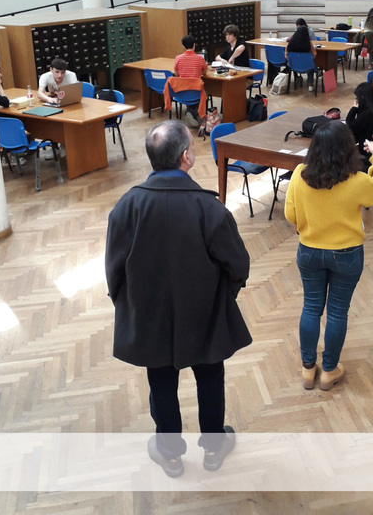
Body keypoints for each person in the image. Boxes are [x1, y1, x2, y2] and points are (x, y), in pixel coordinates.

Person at [105, 120, 252, 477]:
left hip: (151, 316)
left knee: (162, 384)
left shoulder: (127, 207)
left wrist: (132, 307)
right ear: (186, 157)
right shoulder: (210, 208)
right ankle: (214, 449)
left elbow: (114, 271)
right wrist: (221, 298)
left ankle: (169, 453)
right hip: (203, 315)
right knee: (211, 380)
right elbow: (238, 265)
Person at [285, 121, 373, 391]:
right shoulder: (357, 181)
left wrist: (307, 228)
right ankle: (329, 370)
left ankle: (308, 369)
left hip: (308, 251)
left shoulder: (299, 174)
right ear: (348, 149)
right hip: (347, 255)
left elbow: (290, 215)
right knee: (337, 313)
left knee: (310, 307)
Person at [346, 82, 373, 167]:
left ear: (362, 97)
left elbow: (349, 126)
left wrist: (354, 109)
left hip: (367, 149)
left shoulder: (366, 114)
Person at [173, 34, 207, 128]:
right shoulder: (200, 59)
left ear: (183, 46)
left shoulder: (178, 58)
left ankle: (189, 112)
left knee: (190, 93)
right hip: (196, 91)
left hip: (182, 92)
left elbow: (176, 75)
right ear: (194, 45)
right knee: (204, 94)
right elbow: (204, 73)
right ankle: (195, 114)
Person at [286, 23, 317, 91]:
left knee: (307, 63)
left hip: (293, 67)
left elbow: (286, 55)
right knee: (311, 65)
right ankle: (310, 85)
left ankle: (297, 78)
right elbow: (314, 54)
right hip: (308, 67)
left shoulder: (290, 43)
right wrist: (310, 59)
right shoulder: (308, 43)